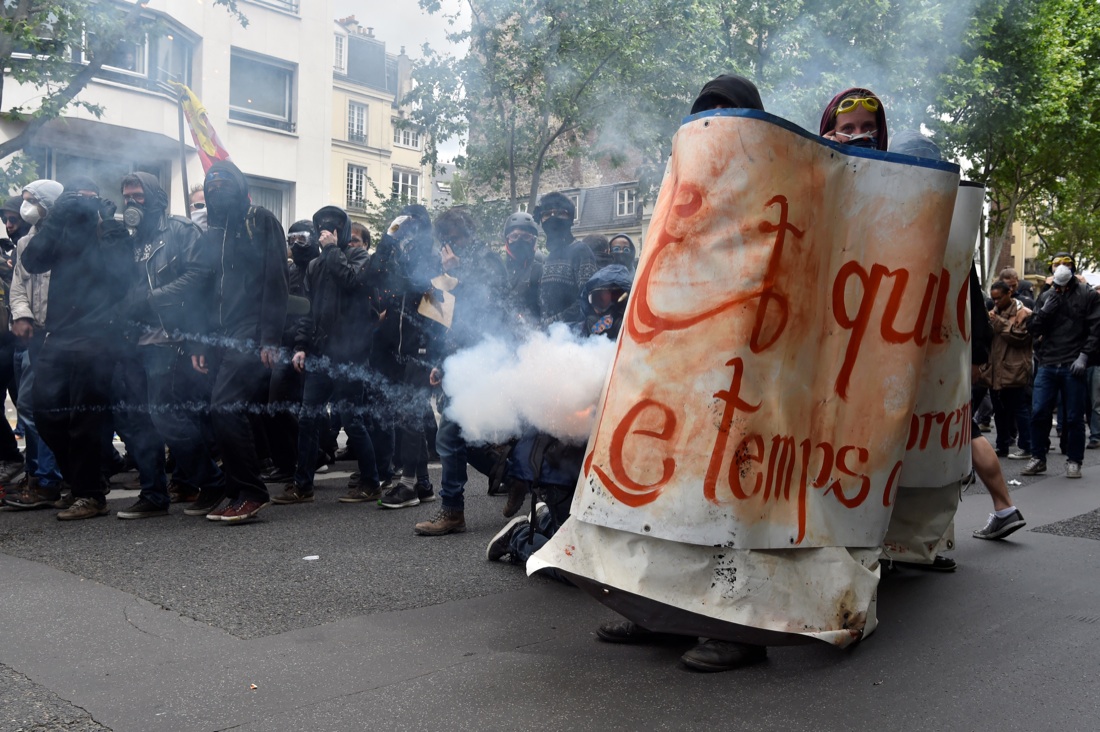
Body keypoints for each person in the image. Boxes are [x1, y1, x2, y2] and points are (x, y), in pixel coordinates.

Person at [592, 74, 770, 673]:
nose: (714, 126)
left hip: (748, 374)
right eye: (705, 114)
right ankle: (659, 614)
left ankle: (738, 629)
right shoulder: (681, 193)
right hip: (684, 371)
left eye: (728, 114)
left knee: (731, 504)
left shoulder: (773, 190)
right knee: (670, 497)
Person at [18, 178, 132, 520]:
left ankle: (89, 494)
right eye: (76, 199)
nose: (83, 205)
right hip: (59, 335)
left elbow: (121, 274)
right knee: (44, 413)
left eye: (88, 198)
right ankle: (84, 481)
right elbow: (33, 261)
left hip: (97, 338)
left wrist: (109, 224)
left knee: (85, 420)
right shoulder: (60, 230)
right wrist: (57, 218)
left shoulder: (109, 230)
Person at [113, 172, 225, 519]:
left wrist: (154, 299)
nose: (132, 202)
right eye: (127, 196)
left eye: (138, 195)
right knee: (136, 419)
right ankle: (153, 494)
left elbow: (200, 276)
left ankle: (212, 482)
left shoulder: (180, 230)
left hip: (169, 337)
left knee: (166, 416)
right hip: (134, 340)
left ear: (155, 196)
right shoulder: (129, 239)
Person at [192, 161, 289, 522]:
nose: (216, 188)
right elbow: (204, 291)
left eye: (223, 181)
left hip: (249, 332)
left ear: (240, 184)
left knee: (225, 407)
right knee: (224, 413)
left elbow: (277, 280)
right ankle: (236, 491)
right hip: (218, 335)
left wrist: (269, 338)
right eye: (210, 183)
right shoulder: (212, 232)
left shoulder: (260, 220)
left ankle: (251, 491)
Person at [275, 205, 379, 505]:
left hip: (350, 355)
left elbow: (353, 282)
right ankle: (302, 485)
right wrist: (301, 347)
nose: (326, 232)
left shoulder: (359, 257)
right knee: (308, 418)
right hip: (321, 355)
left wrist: (333, 250)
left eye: (332, 228)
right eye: (322, 227)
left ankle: (372, 483)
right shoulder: (316, 266)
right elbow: (309, 310)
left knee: (352, 420)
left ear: (342, 231)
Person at [413, 207, 506, 535]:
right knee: (462, 436)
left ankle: (453, 511)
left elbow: (493, 307)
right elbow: (440, 317)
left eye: (454, 238)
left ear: (467, 233)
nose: (450, 245)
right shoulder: (448, 265)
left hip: (485, 358)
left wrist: (458, 274)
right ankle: (509, 472)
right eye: (445, 240)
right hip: (458, 359)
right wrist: (438, 361)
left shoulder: (488, 261)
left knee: (449, 435)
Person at [2, 180, 66, 510]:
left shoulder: (68, 241)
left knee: (49, 408)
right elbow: (17, 288)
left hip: (62, 336)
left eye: (31, 201)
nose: (26, 207)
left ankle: (50, 479)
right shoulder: (26, 242)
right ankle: (41, 475)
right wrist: (23, 315)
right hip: (35, 337)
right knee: (28, 407)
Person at [1021, 253, 1100, 479]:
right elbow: (1033, 328)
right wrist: (1045, 312)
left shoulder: (1088, 295)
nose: (1062, 268)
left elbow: (1096, 329)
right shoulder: (1046, 296)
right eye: (1058, 266)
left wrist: (1084, 356)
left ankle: (1075, 460)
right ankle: (1038, 457)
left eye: (1066, 264)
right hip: (1048, 362)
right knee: (1038, 413)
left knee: (1074, 417)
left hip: (1073, 363)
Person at [979, 280, 1033, 459]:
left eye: (999, 298)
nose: (995, 302)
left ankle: (1026, 446)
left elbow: (1022, 337)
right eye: (993, 299)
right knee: (999, 410)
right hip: (995, 370)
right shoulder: (993, 313)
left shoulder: (1022, 312)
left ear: (1009, 293)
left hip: (1014, 370)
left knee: (1019, 409)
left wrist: (999, 323)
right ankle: (1002, 445)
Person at [533, 192, 598, 325]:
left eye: (559, 213)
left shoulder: (581, 251)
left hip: (573, 338)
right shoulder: (548, 258)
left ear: (570, 218)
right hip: (549, 339)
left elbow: (588, 300)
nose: (552, 218)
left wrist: (551, 322)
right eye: (546, 215)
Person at [501, 212, 543, 325]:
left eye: (526, 237)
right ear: (507, 240)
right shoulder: (499, 271)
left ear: (533, 240)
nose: (519, 241)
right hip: (500, 336)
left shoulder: (540, 270)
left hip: (533, 336)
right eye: (514, 236)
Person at [819, 87, 889, 150]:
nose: (859, 134)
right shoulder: (813, 163)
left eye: (868, 126)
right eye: (848, 128)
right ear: (832, 134)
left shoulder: (894, 164)